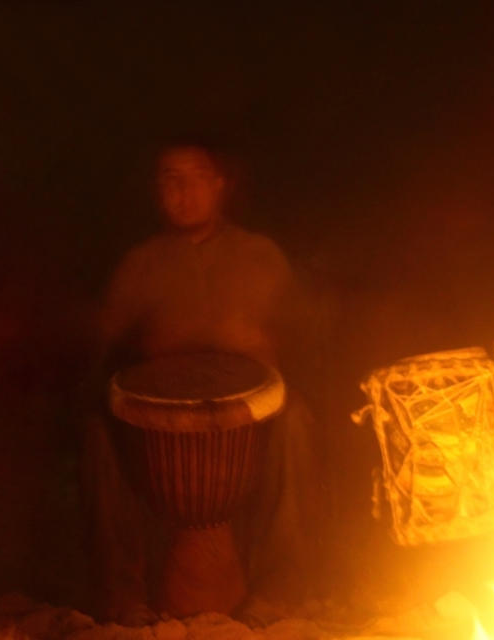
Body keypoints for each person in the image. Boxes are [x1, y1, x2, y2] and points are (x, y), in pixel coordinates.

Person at [82, 140, 321, 624]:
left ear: (219, 186)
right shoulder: (140, 265)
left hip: (248, 426)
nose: (183, 191)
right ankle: (123, 593)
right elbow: (101, 350)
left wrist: (261, 346)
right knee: (97, 431)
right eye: (170, 180)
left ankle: (282, 586)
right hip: (161, 432)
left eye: (195, 177)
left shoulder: (261, 255)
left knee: (297, 418)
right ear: (157, 193)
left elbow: (306, 338)